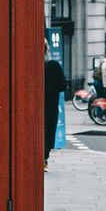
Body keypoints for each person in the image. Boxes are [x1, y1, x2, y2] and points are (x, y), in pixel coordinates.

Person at [43, 38, 67, 166]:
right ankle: (44, 158)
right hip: (50, 105)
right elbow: (63, 86)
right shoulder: (54, 66)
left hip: (33, 107)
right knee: (48, 130)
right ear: (47, 50)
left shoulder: (30, 67)